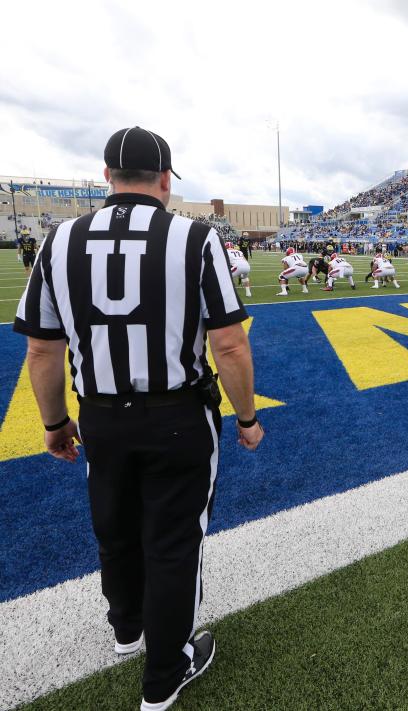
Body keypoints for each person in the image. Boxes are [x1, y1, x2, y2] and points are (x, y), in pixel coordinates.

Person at [13, 126, 263, 710]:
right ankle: (164, 676)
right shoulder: (194, 238)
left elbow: (42, 349)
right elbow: (229, 345)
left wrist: (54, 424)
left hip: (100, 415)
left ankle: (126, 628)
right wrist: (247, 417)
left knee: (116, 524)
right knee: (173, 541)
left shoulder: (59, 241)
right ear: (166, 179)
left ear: (106, 177)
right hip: (176, 413)